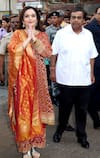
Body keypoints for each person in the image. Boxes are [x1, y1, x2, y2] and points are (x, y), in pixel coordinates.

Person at [8, 6, 55, 158]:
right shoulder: (17, 34)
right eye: (27, 16)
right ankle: (25, 148)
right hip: (21, 81)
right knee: (24, 113)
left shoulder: (42, 35)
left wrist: (34, 40)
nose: (30, 18)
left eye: (33, 16)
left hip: (38, 80)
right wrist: (27, 39)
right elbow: (13, 50)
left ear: (37, 18)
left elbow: (48, 53)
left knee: (37, 115)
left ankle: (34, 146)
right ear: (22, 19)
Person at [50, 7, 98, 149]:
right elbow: (54, 54)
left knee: (81, 112)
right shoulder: (61, 34)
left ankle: (82, 137)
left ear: (84, 20)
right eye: (73, 17)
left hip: (83, 80)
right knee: (64, 110)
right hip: (65, 79)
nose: (75, 20)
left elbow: (92, 56)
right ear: (69, 19)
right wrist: (52, 70)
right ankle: (60, 131)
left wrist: (91, 74)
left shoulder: (88, 34)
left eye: (78, 18)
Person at [45, 11, 74, 131]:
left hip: (64, 65)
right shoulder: (48, 31)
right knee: (54, 92)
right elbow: (46, 48)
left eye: (56, 17)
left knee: (63, 94)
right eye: (52, 17)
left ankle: (63, 120)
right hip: (51, 65)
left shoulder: (66, 29)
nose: (54, 19)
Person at [85, 6, 100, 129]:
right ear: (95, 14)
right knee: (92, 94)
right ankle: (96, 119)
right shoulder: (89, 29)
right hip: (94, 66)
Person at [0, 15, 19, 86]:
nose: (15, 24)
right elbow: (1, 56)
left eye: (18, 22)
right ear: (10, 23)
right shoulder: (6, 37)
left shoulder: (27, 36)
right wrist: (1, 73)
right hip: (11, 69)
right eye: (13, 22)